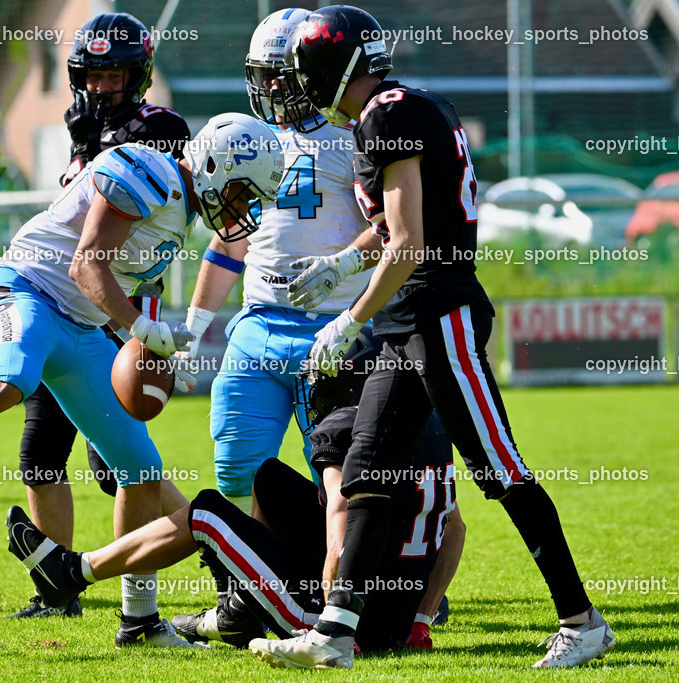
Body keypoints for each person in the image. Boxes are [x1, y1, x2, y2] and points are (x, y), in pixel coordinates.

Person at [247, 6, 614, 669]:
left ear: (332, 68)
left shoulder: (386, 115)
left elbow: (412, 244)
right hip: (407, 320)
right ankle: (334, 632)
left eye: (307, 72)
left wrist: (347, 317)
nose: (301, 87)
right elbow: (398, 226)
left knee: (498, 467)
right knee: (366, 470)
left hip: (438, 314)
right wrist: (344, 263)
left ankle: (582, 620)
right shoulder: (402, 107)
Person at [0, 113, 285, 647]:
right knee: (11, 381)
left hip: (82, 329)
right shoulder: (149, 171)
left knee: (140, 468)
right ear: (214, 165)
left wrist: (166, 340)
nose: (241, 209)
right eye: (240, 193)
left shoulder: (182, 207)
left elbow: (117, 282)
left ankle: (139, 621)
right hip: (25, 290)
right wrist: (144, 329)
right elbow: (86, 265)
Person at [2, 335, 459, 655]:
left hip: (345, 620)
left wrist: (332, 625)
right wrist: (419, 620)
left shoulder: (346, 427)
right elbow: (453, 531)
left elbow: (339, 533)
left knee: (206, 514)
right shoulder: (432, 428)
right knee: (270, 479)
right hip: (390, 614)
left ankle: (74, 572)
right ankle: (243, 606)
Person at [10, 12, 191, 619]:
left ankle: (216, 549)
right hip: (65, 303)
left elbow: (124, 195)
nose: (103, 86)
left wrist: (92, 145)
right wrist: (85, 144)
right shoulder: (86, 128)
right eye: (94, 74)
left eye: (115, 74)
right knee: (40, 453)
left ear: (138, 76)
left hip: (122, 313)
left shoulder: (160, 126)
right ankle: (54, 590)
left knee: (122, 470)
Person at [178, 7, 372, 516]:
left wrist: (345, 267)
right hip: (259, 323)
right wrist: (194, 330)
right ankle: (250, 588)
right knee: (236, 469)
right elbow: (229, 240)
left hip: (337, 328)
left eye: (278, 76)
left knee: (339, 473)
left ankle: (347, 585)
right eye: (261, 76)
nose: (268, 88)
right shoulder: (246, 136)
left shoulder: (357, 136)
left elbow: (396, 225)